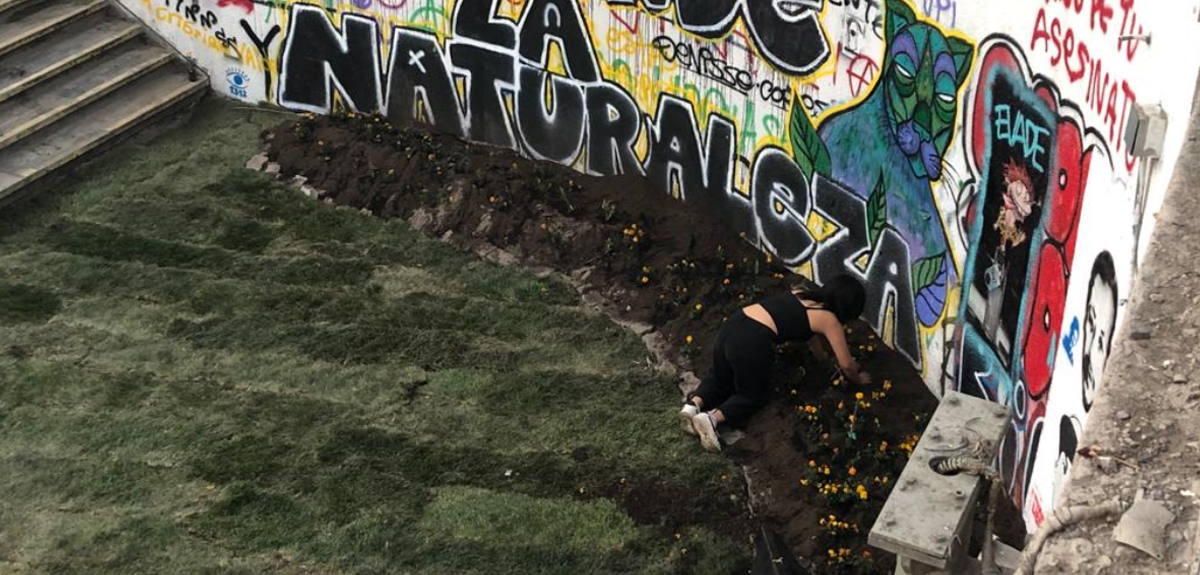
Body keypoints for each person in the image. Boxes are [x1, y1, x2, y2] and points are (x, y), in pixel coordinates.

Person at [680, 275, 871, 452]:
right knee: (752, 395)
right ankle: (711, 419)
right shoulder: (830, 320)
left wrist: (821, 357)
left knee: (720, 376)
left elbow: (809, 333)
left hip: (735, 324)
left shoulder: (800, 293)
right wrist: (859, 379)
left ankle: (692, 407)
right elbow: (846, 365)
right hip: (751, 341)